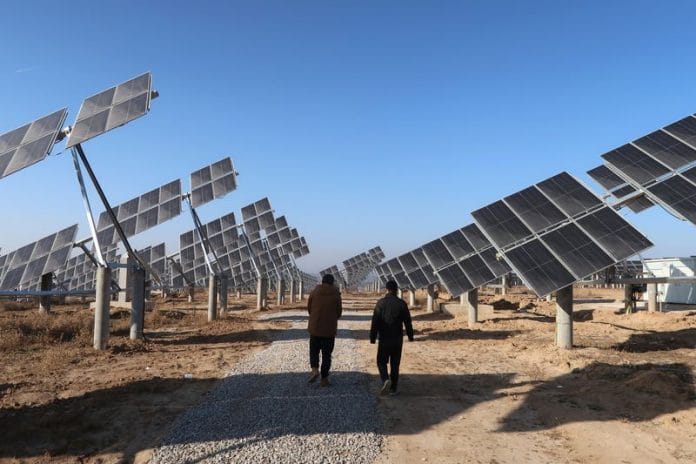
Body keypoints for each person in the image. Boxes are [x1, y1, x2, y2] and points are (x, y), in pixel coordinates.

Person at [370, 280, 414, 396]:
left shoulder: (381, 303)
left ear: (386, 289)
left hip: (384, 338)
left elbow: (375, 321)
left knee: (381, 362)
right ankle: (393, 388)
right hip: (397, 339)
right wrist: (410, 336)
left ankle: (385, 379)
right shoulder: (402, 304)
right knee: (395, 364)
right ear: (396, 289)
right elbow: (408, 322)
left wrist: (372, 337)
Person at [307, 273, 343, 387]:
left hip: (315, 328)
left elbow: (309, 309)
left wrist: (315, 317)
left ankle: (314, 370)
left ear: (322, 281)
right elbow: (339, 312)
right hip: (329, 330)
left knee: (314, 351)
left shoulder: (314, 292)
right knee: (327, 355)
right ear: (332, 283)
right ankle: (324, 379)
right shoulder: (336, 294)